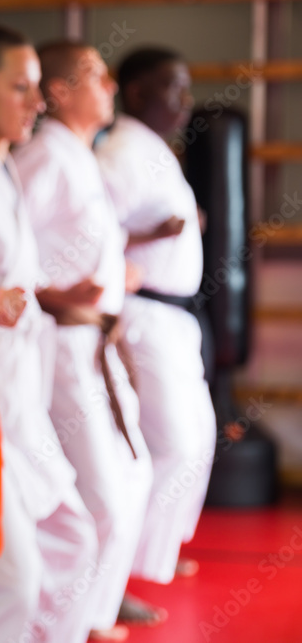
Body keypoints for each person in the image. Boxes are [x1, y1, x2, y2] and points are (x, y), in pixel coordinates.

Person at [0, 25, 100, 643]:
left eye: (38, 89)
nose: (36, 102)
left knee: (68, 538)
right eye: (21, 88)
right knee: (10, 574)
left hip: (15, 396)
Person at [11, 41, 154, 642]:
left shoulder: (82, 157)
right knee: (101, 500)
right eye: (96, 76)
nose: (111, 87)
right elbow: (8, 259)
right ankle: (70, 620)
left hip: (95, 346)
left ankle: (92, 611)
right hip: (64, 348)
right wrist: (52, 294)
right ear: (62, 91)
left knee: (136, 476)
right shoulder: (46, 156)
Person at [95, 47, 216, 596]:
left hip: (174, 316)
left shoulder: (155, 151)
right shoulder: (120, 152)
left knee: (200, 438)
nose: (186, 102)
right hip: (141, 315)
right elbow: (84, 242)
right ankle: (121, 576)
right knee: (171, 445)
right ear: (138, 91)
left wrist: (182, 228)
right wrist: (156, 235)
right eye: (174, 89)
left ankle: (151, 559)